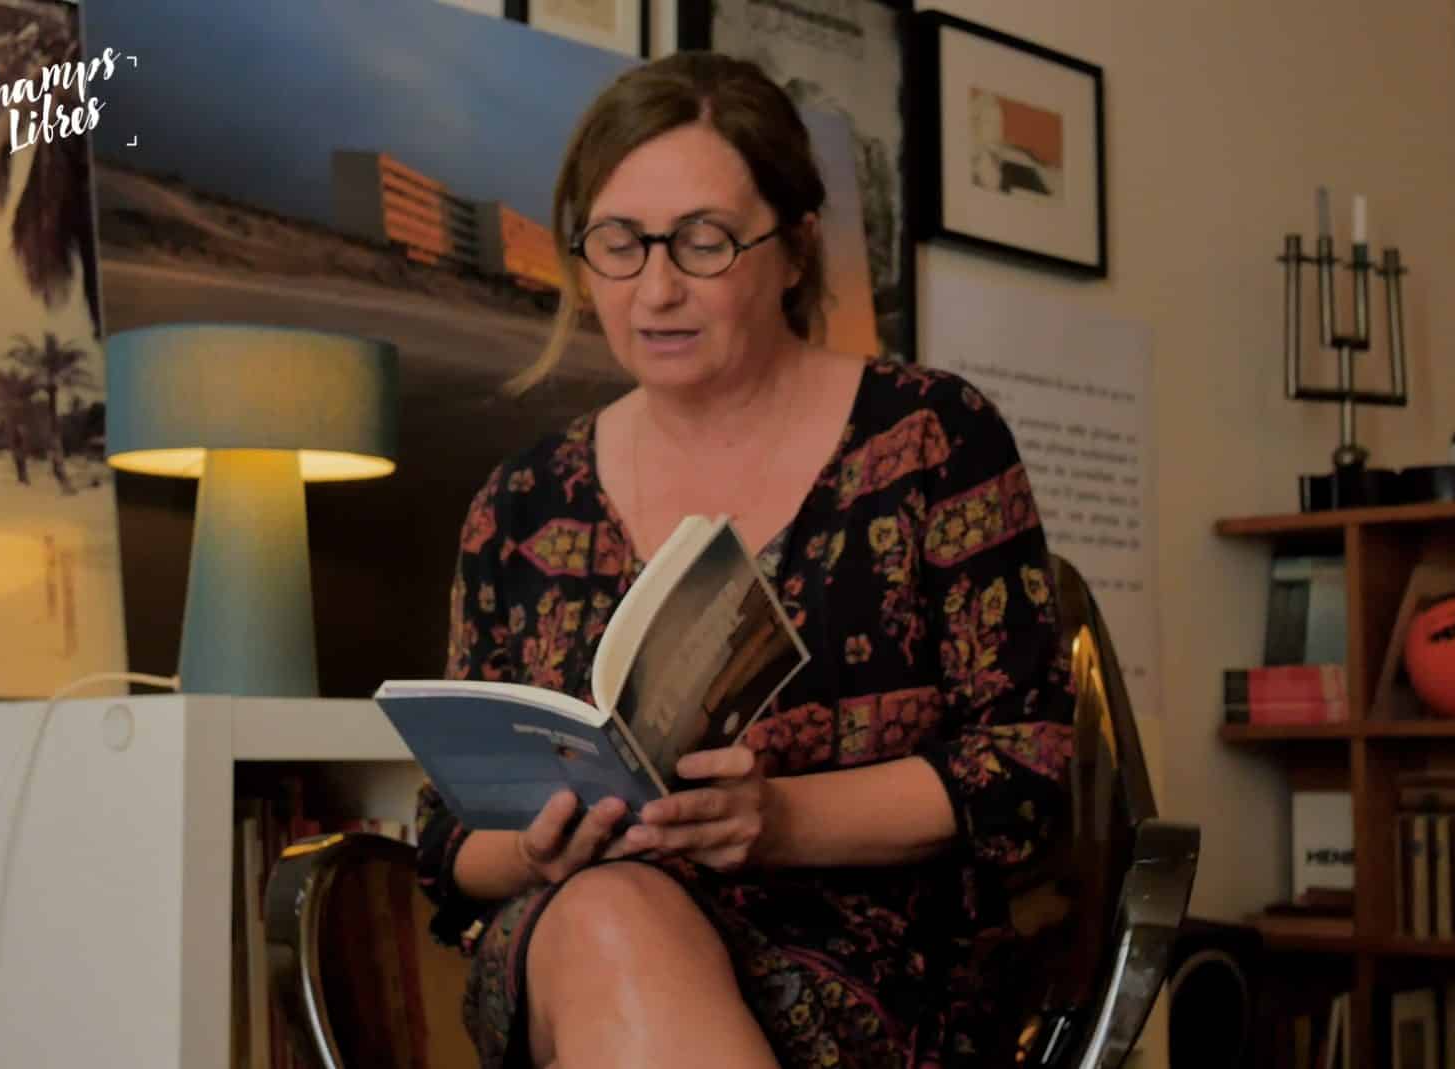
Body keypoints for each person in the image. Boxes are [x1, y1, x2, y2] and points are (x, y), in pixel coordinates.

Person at [415, 50, 1076, 1069]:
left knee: (615, 929)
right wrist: (535, 849)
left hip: (878, 966)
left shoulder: (931, 438)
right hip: (575, 941)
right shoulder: (520, 505)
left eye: (704, 241)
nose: (657, 290)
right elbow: (446, 839)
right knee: (608, 913)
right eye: (619, 244)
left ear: (795, 249)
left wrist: (777, 819)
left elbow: (1028, 769)